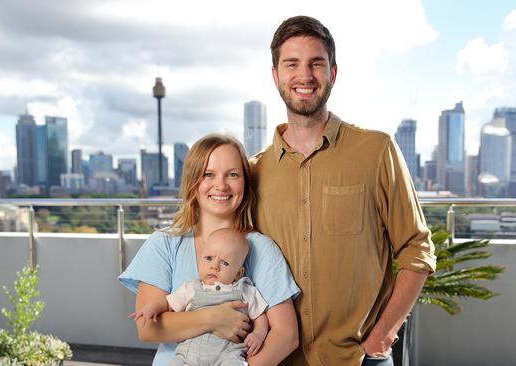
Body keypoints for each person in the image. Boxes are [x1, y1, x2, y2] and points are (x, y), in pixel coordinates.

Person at [251, 16, 437, 366]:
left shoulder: (376, 150)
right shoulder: (254, 171)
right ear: (275, 76)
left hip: (359, 359)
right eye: (292, 64)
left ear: (332, 74)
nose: (304, 76)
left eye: (316, 64)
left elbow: (417, 247)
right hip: (278, 358)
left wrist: (383, 334)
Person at [120, 134, 300, 366]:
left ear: (245, 182)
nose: (221, 185)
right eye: (208, 174)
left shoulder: (262, 249)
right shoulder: (164, 243)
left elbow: (286, 335)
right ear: (193, 181)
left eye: (232, 174)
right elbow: (148, 329)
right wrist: (214, 318)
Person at [130, 228, 269, 365]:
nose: (214, 266)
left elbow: (259, 316)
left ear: (239, 273)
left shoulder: (245, 290)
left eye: (225, 263)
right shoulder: (190, 288)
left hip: (228, 353)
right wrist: (151, 308)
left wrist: (258, 334)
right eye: (209, 258)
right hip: (189, 353)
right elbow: (167, 303)